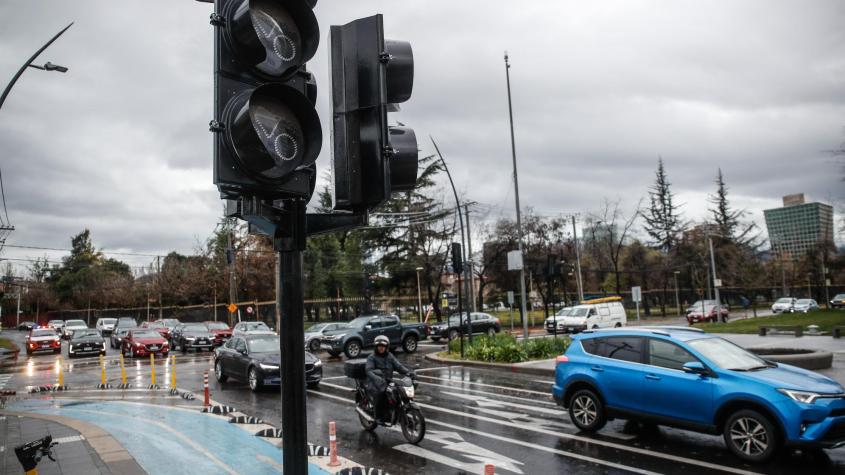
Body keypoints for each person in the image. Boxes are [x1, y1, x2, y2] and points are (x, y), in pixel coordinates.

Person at [365, 335, 413, 422]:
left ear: (386, 347)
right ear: (376, 347)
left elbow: (398, 366)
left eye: (383, 346)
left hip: (387, 381)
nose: (381, 348)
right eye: (379, 346)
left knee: (398, 391)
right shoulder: (372, 357)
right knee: (381, 393)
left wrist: (408, 372)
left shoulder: (390, 356)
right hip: (375, 383)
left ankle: (393, 411)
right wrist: (376, 378)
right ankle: (378, 416)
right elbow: (369, 371)